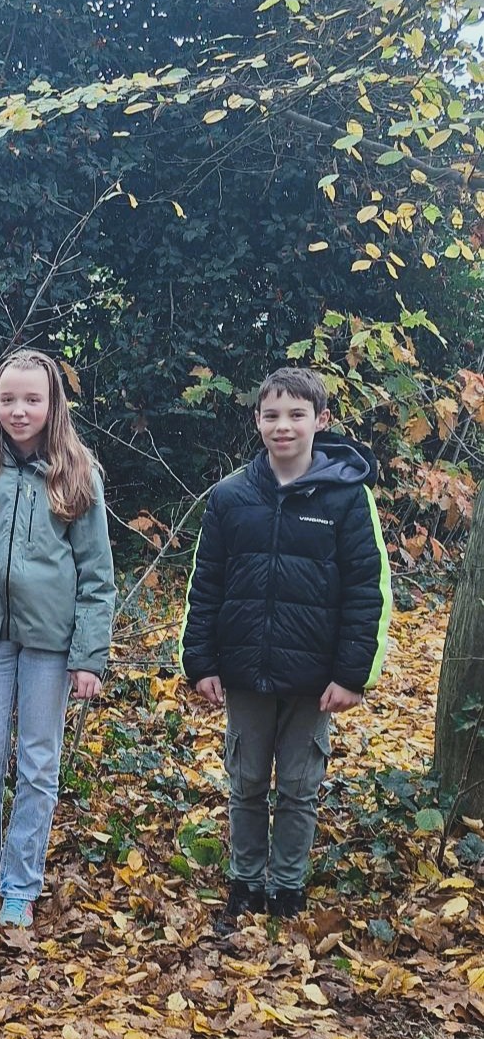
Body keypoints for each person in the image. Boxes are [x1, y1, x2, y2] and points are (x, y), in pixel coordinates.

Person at [180, 366, 391, 921]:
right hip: (245, 669)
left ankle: (288, 888)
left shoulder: (347, 499)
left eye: (297, 414)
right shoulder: (229, 498)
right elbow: (206, 584)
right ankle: (245, 882)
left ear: (320, 421)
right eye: (271, 415)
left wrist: (352, 674)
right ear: (257, 421)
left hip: (314, 679)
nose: (283, 426)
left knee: (299, 786)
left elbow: (367, 589)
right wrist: (200, 660)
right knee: (246, 781)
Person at [0, 350, 115, 928]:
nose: (19, 410)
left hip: (50, 646)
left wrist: (89, 655)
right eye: (8, 399)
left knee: (38, 765)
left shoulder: (77, 474)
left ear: (52, 404)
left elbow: (96, 573)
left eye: (32, 399)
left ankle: (21, 882)